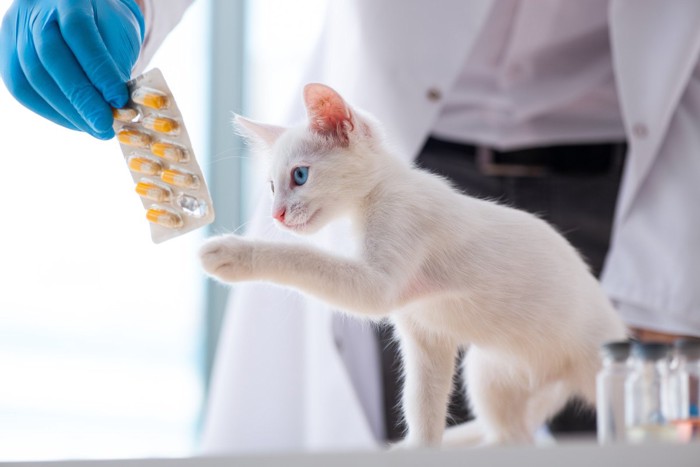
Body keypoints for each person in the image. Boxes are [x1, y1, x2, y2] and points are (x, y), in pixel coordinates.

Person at [3, 0, 700, 453]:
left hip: (634, 162)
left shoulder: (382, 194)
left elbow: (373, 291)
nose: (278, 212)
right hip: (421, 129)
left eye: (289, 189)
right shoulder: (372, 193)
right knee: (448, 379)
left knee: (641, 435)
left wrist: (259, 256)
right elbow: (422, 336)